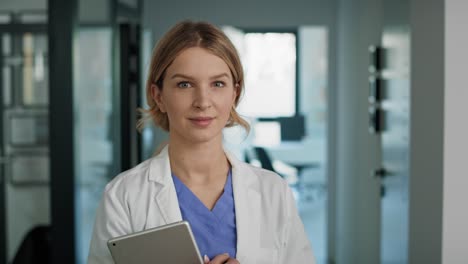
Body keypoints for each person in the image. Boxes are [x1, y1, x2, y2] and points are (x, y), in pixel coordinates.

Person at [87, 20, 315, 264]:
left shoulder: (274, 192)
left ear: (234, 94)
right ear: (159, 96)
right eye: (184, 84)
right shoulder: (124, 196)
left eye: (217, 84)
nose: (203, 101)